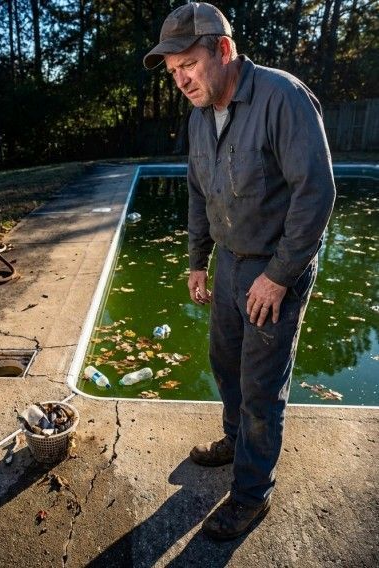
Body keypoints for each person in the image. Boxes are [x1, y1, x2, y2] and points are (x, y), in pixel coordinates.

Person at [144, 2, 335, 540]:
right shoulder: (200, 115)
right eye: (173, 72)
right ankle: (235, 441)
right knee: (224, 362)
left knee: (260, 388)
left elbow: (315, 194)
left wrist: (279, 276)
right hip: (227, 262)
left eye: (189, 65)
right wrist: (197, 263)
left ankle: (252, 494)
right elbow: (198, 194)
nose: (181, 80)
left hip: (276, 269)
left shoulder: (283, 97)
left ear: (223, 50)